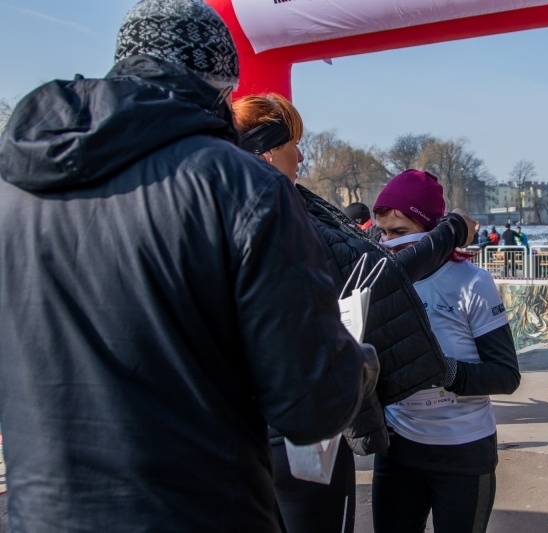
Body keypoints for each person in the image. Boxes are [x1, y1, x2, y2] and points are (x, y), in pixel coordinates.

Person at [0, 1, 377, 531]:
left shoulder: (13, 186)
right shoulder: (243, 186)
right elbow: (309, 405)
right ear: (220, 86)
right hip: (196, 510)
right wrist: (360, 364)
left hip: (42, 514)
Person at [232, 95, 478, 533]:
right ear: (268, 151)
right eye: (294, 143)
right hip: (300, 422)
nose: (303, 155)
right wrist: (451, 232)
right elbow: (379, 277)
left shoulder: (227, 207)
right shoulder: (281, 215)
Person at [371, 169, 521, 533]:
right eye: (383, 232)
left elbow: (506, 374)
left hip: (463, 454)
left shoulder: (472, 281)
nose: (389, 242)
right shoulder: (377, 278)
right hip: (397, 451)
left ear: (432, 230)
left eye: (400, 232)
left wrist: (444, 371)